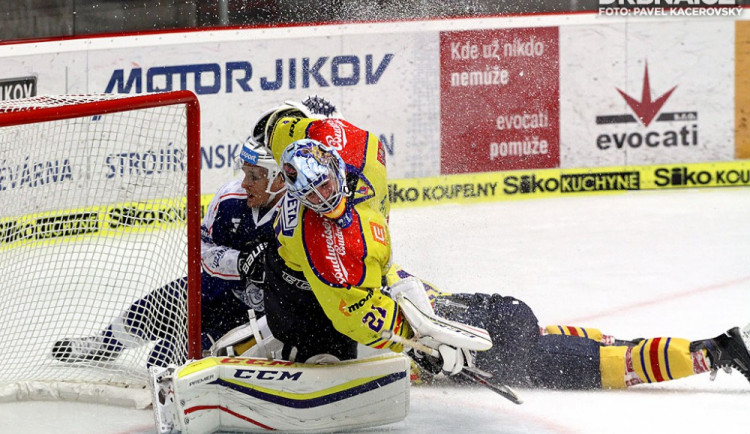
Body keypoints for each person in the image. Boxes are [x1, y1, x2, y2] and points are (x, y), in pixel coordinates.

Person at [248, 96, 750, 390]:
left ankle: (696, 351)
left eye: (328, 184)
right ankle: (706, 353)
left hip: (376, 287)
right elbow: (356, 316)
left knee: (517, 332)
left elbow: (291, 126)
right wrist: (422, 345)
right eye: (310, 194)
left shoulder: (356, 149)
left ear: (339, 162)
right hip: (329, 316)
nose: (325, 200)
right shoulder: (325, 245)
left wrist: (289, 122)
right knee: (522, 346)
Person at [51, 139, 287, 367]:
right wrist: (239, 262)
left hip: (254, 316)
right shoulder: (229, 199)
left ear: (278, 179)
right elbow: (201, 249)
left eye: (254, 176)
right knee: (151, 309)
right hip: (212, 287)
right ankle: (103, 344)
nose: (245, 183)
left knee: (162, 362)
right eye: (245, 173)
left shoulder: (294, 216)